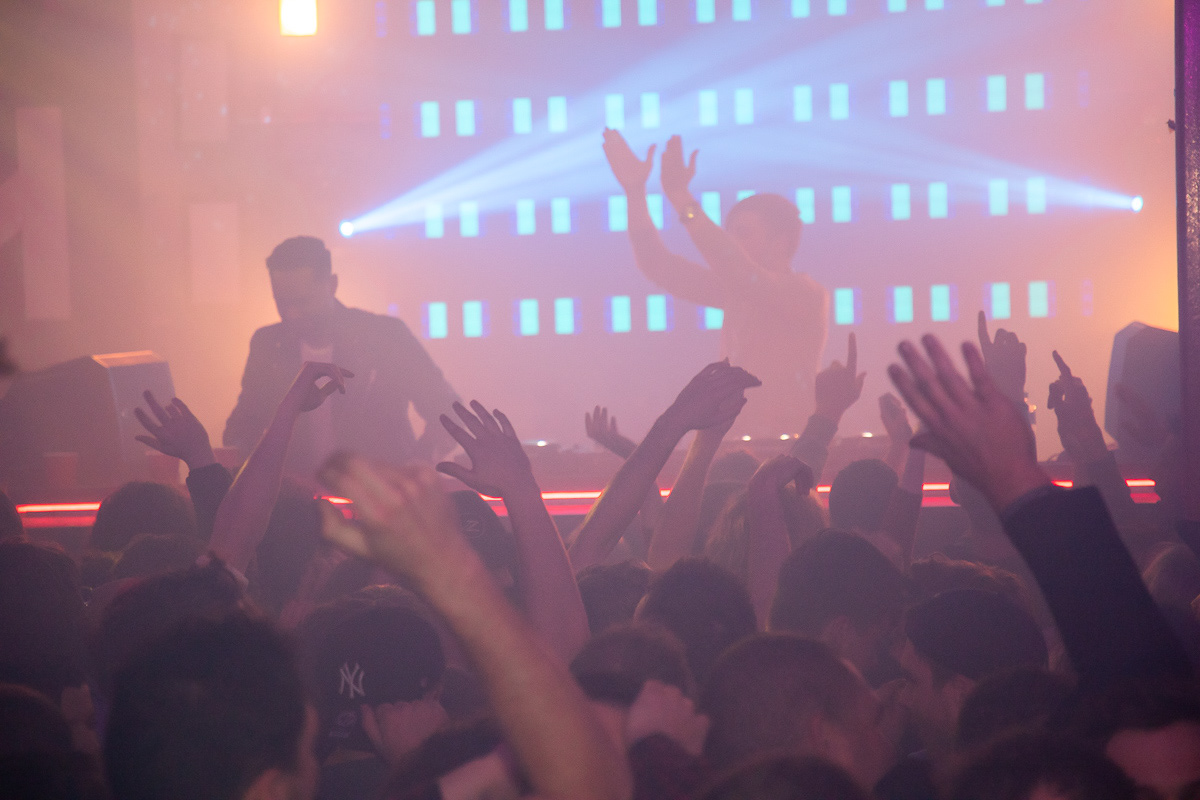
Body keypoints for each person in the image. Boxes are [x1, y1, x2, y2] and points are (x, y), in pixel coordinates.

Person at [603, 130, 828, 438]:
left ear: (780, 243)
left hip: (787, 445)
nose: (731, 242)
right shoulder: (738, 292)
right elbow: (658, 265)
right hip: (735, 439)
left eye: (742, 233)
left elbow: (735, 267)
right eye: (729, 233)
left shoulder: (804, 294)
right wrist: (634, 192)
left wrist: (681, 197)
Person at [223, 236, 459, 477]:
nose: (292, 314)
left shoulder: (385, 336)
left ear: (332, 285)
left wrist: (416, 465)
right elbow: (241, 428)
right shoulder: (267, 344)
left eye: (302, 302)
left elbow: (450, 414)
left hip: (380, 492)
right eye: (282, 303)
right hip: (299, 494)